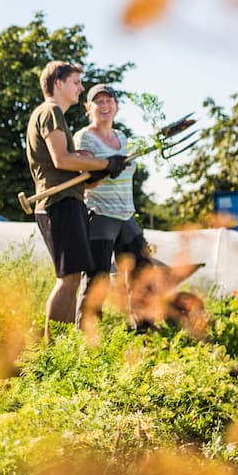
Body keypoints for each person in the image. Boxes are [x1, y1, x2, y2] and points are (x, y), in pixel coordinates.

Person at [25, 61, 126, 335]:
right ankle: (53, 351)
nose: (81, 88)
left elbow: (70, 164)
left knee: (71, 278)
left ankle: (63, 346)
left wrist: (96, 168)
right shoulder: (51, 111)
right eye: (76, 82)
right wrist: (106, 164)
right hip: (59, 205)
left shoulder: (54, 114)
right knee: (67, 278)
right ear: (58, 83)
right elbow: (60, 159)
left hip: (69, 201)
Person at [73, 84, 154, 314]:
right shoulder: (84, 137)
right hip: (100, 216)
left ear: (116, 106)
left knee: (142, 274)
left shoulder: (122, 137)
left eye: (109, 101)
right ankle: (87, 339)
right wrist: (106, 169)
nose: (105, 105)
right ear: (89, 108)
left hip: (127, 216)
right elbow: (84, 181)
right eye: (99, 101)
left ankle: (144, 333)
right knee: (97, 280)